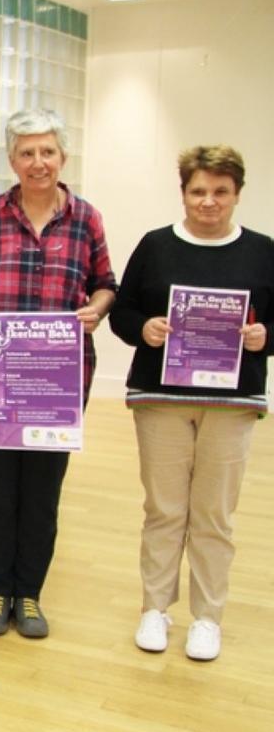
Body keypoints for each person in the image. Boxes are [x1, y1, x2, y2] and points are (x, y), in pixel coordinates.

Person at [110, 146, 272, 662]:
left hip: (232, 402)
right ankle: (155, 609)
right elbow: (123, 311)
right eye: (198, 190)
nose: (209, 201)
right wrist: (144, 328)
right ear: (183, 193)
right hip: (161, 398)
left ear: (237, 194)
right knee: (163, 510)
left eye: (220, 191)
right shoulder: (155, 245)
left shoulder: (263, 251)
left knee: (214, 515)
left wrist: (265, 337)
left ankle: (207, 618)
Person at [0, 108, 116, 639]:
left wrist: (96, 308)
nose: (38, 162)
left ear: (63, 157)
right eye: (27, 153)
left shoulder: (87, 219)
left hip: (58, 384)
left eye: (47, 151)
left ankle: (29, 595)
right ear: (12, 160)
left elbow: (106, 283)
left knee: (42, 493)